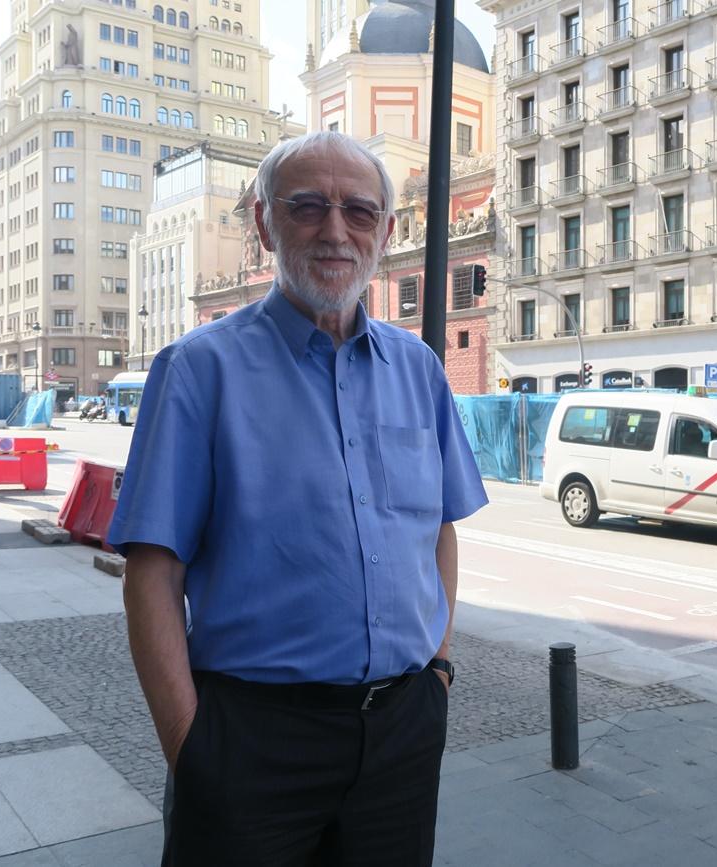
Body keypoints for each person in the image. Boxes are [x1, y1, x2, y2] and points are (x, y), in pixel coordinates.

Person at [108, 131, 488, 866]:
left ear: (385, 230)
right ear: (264, 223)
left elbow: (437, 528)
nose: (336, 231)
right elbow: (152, 572)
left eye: (359, 211)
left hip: (402, 734)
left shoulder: (418, 368)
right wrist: (194, 747)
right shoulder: (197, 371)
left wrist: (436, 673)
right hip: (251, 742)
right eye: (308, 207)